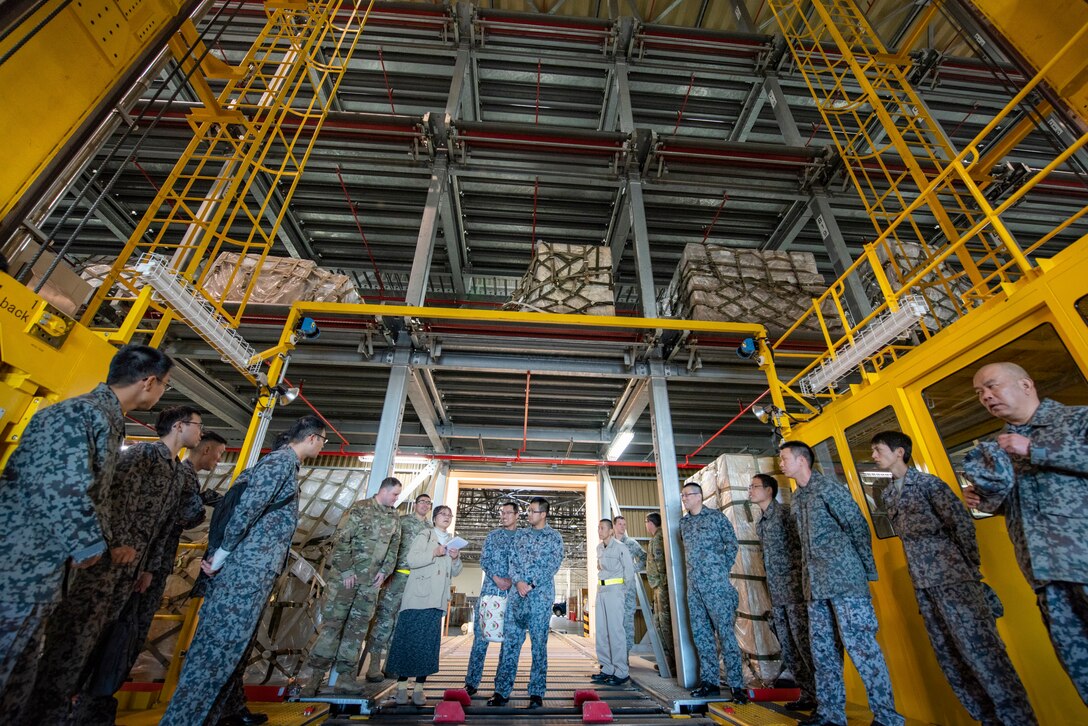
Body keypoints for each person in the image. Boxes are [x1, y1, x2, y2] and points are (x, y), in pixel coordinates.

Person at [0, 344, 172, 719]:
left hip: (43, 571)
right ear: (149, 382)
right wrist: (89, 544)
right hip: (21, 568)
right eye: (165, 385)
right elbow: (64, 487)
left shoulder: (105, 420)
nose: (162, 393)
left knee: (20, 678)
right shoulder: (79, 415)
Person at [31, 407, 205, 726]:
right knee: (73, 643)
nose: (201, 433)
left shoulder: (178, 472)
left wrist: (149, 567)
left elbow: (166, 527)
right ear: (179, 426)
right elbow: (110, 498)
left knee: (104, 640)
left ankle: (84, 714)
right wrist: (116, 543)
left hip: (131, 572)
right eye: (198, 426)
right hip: (103, 565)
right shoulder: (142, 456)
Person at [159, 416, 327, 726]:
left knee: (231, 651)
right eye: (323, 441)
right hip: (243, 571)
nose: (322, 446)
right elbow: (246, 509)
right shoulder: (279, 463)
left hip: (254, 570)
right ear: (314, 439)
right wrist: (222, 554)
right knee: (215, 653)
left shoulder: (286, 466)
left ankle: (221, 713)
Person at [871, 430, 1036, 725]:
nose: (873, 456)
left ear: (899, 452)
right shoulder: (888, 494)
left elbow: (961, 525)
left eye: (878, 450)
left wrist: (967, 569)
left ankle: (1018, 721)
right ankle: (987, 720)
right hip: (924, 585)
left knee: (984, 655)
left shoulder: (930, 485)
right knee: (950, 657)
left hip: (954, 580)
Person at [965, 361, 1088, 702]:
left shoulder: (1077, 420)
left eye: (992, 386)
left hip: (1083, 563)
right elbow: (1011, 502)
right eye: (979, 393)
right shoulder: (996, 447)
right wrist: (982, 499)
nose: (986, 397)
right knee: (1081, 670)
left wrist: (1035, 450)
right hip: (1043, 575)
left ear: (1026, 385)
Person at [778, 441, 903, 726]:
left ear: (802, 460)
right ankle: (831, 715)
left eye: (784, 458)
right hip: (816, 588)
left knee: (862, 649)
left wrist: (866, 572)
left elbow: (857, 527)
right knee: (823, 654)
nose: (781, 464)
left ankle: (888, 717)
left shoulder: (830, 490)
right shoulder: (798, 499)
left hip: (845, 583)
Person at [301, 475, 403, 695]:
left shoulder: (394, 517)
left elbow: (394, 547)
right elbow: (340, 540)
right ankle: (315, 679)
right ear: (383, 490)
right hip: (345, 581)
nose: (396, 499)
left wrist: (385, 571)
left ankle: (346, 678)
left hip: (369, 586)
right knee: (333, 627)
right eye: (395, 494)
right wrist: (347, 570)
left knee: (356, 631)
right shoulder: (359, 509)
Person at [749, 473, 818, 713]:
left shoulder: (785, 514)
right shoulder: (762, 521)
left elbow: (800, 548)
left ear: (769, 491)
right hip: (777, 593)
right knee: (789, 648)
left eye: (755, 486)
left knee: (804, 645)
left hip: (795, 591)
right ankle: (808, 694)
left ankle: (822, 696)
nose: (750, 490)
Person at [487, 496, 564, 709]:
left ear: (543, 514)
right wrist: (518, 581)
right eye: (528, 511)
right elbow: (512, 560)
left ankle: (536, 693)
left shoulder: (554, 537)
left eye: (532, 511)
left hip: (539, 598)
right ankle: (501, 692)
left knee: (539, 646)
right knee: (510, 645)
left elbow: (552, 565)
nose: (528, 514)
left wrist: (530, 583)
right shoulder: (520, 536)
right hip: (517, 598)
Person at [385, 505, 463, 706]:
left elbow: (455, 572)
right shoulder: (425, 535)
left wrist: (455, 559)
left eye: (449, 515)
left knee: (427, 646)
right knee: (408, 642)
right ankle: (402, 688)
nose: (446, 517)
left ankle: (419, 689)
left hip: (436, 601)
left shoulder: (452, 541)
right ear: (435, 517)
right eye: (442, 514)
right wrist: (434, 553)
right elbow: (412, 560)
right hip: (418, 598)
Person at [679, 481, 748, 702]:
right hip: (695, 588)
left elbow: (732, 544)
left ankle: (737, 685)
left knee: (725, 634)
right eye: (683, 495)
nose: (684, 498)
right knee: (702, 636)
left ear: (699, 497)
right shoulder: (684, 524)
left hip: (716, 587)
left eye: (687, 495)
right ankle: (710, 682)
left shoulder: (716, 518)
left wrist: (720, 570)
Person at [363, 492, 433, 682]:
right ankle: (374, 665)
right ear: (415, 504)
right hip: (398, 576)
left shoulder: (430, 529)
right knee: (385, 619)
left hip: (416, 581)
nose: (425, 505)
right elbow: (389, 546)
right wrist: (385, 571)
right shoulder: (402, 522)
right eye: (422, 502)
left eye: (428, 503)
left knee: (401, 624)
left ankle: (390, 664)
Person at [465, 500, 520, 695]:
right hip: (490, 592)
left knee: (510, 643)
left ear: (516, 515)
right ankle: (471, 682)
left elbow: (527, 565)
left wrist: (514, 582)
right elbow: (484, 560)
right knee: (480, 639)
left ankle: (502, 688)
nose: (503, 516)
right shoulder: (493, 536)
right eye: (502, 513)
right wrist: (497, 579)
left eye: (507, 513)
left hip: (514, 596)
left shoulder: (524, 538)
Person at [591, 518, 635, 685]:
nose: (599, 531)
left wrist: (621, 592)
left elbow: (629, 574)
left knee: (616, 632)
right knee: (602, 632)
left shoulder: (621, 548)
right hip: (601, 591)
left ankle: (621, 672)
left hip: (615, 592)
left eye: (602, 528)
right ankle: (607, 668)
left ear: (610, 531)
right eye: (598, 528)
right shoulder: (599, 548)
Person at [643, 512, 676, 674]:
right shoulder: (658, 538)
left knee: (665, 625)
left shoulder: (658, 539)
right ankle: (667, 661)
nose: (645, 525)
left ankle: (674, 663)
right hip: (658, 588)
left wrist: (662, 583)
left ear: (651, 523)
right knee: (659, 623)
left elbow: (662, 564)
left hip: (661, 588)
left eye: (646, 522)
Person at [613, 515, 646, 652]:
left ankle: (625, 655)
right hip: (612, 590)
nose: (622, 526)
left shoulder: (631, 543)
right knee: (613, 622)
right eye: (619, 524)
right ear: (614, 526)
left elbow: (644, 558)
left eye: (624, 524)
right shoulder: (608, 544)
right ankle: (613, 656)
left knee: (626, 622)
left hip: (628, 590)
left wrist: (633, 569)